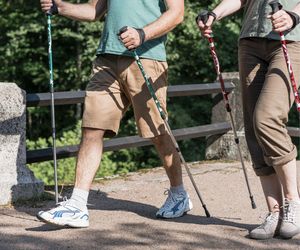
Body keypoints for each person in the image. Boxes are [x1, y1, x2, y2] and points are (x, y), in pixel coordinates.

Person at [38, 0, 192, 228]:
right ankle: (77, 205)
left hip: (146, 56)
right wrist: (60, 7)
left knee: (157, 132)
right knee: (92, 128)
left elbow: (177, 13)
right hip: (106, 60)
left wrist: (142, 34)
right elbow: (94, 11)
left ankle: (179, 194)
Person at [197, 0, 300, 240]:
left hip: (292, 38)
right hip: (251, 40)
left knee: (267, 117)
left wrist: (294, 16)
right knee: (254, 127)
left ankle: (293, 202)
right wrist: (214, 14)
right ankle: (274, 212)